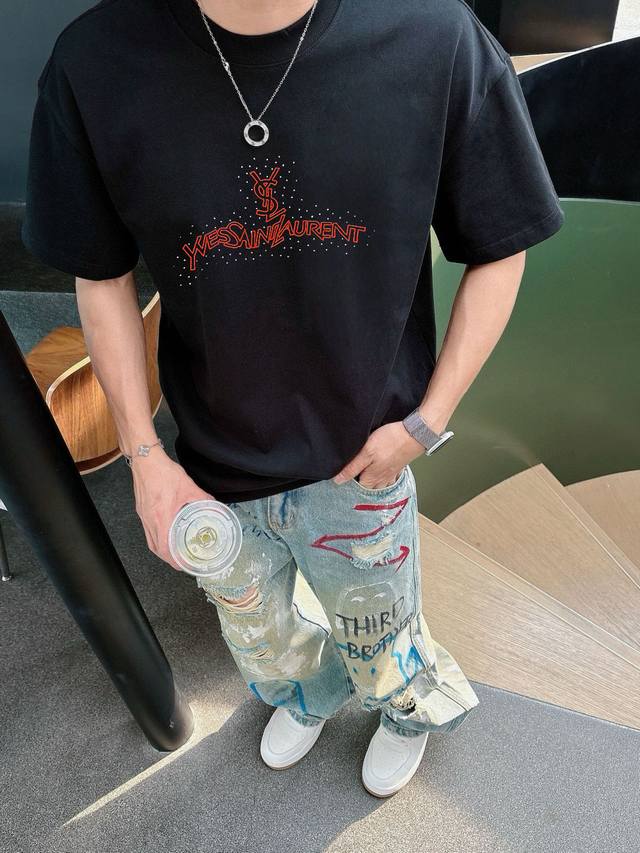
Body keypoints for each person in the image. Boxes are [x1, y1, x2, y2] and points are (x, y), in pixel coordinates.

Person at [21, 0, 565, 797]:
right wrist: (143, 456)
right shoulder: (96, 61)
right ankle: (307, 695)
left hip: (364, 456)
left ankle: (407, 712)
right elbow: (99, 274)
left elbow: (501, 241)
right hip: (210, 463)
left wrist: (426, 423)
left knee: (382, 628)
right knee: (260, 635)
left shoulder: (434, 36)